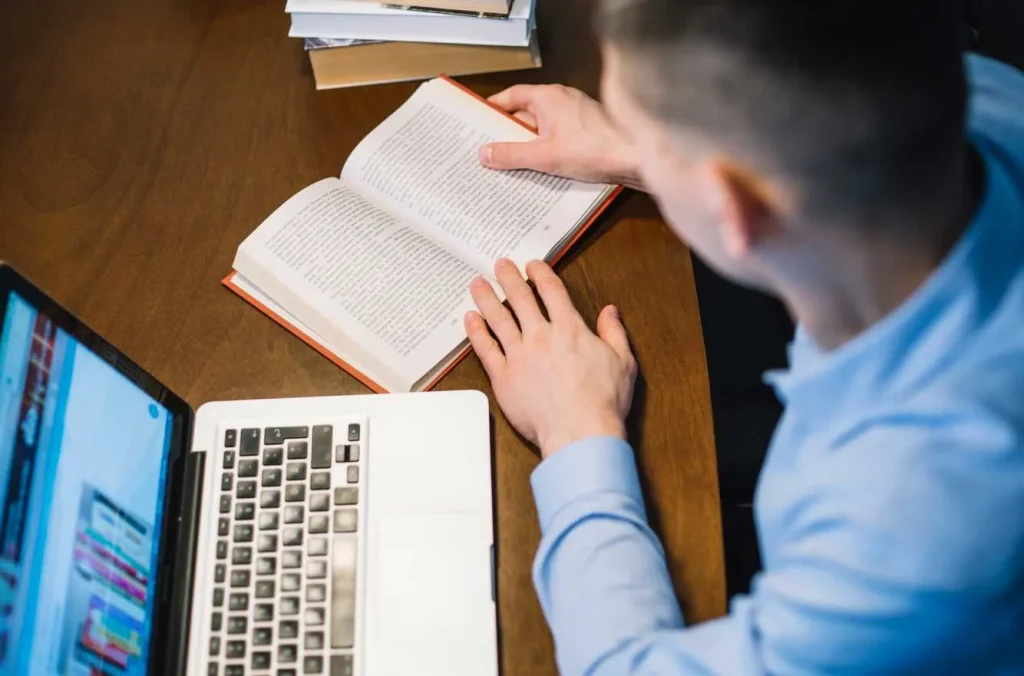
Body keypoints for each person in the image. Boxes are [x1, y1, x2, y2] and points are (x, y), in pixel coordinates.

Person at [461, 1, 1024, 673]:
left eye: (639, 128)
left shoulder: (907, 518)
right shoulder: (973, 86)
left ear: (734, 209)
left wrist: (576, 433)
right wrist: (642, 146)